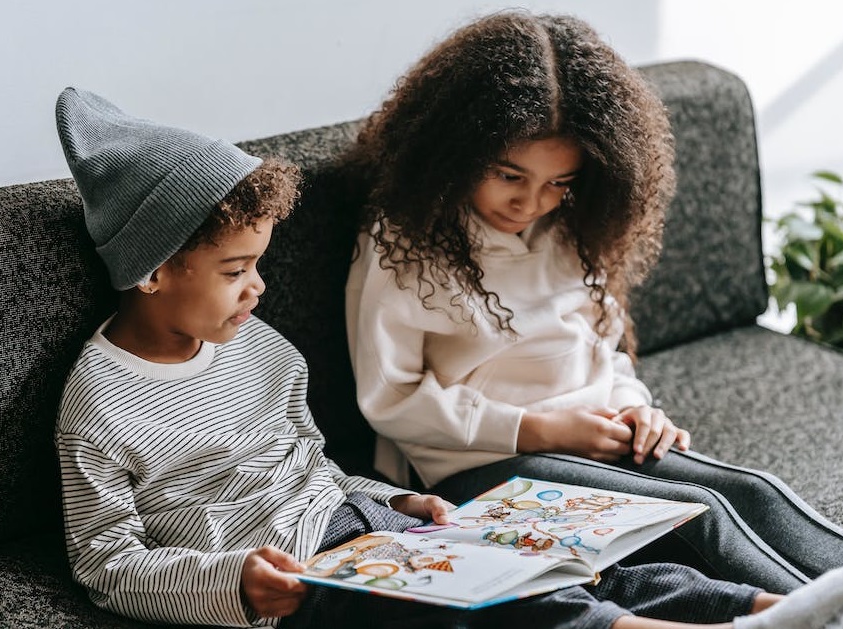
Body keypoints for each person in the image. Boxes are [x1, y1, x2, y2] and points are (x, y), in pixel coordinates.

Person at [50, 87, 831, 629]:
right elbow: (107, 561)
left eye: (258, 266)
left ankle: (770, 607)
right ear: (151, 271)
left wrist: (392, 502)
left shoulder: (262, 349)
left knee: (552, 558)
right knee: (494, 608)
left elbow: (316, 469)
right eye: (233, 272)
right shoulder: (102, 404)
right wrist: (232, 584)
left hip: (369, 528)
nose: (256, 289)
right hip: (298, 584)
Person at [343, 9, 843, 598]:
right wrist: (542, 429)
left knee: (755, 490)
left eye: (560, 182)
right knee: (698, 516)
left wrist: (636, 407)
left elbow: (601, 349)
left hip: (590, 436)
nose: (532, 202)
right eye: (510, 175)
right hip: (475, 468)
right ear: (459, 148)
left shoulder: (569, 229)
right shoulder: (402, 246)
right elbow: (390, 400)